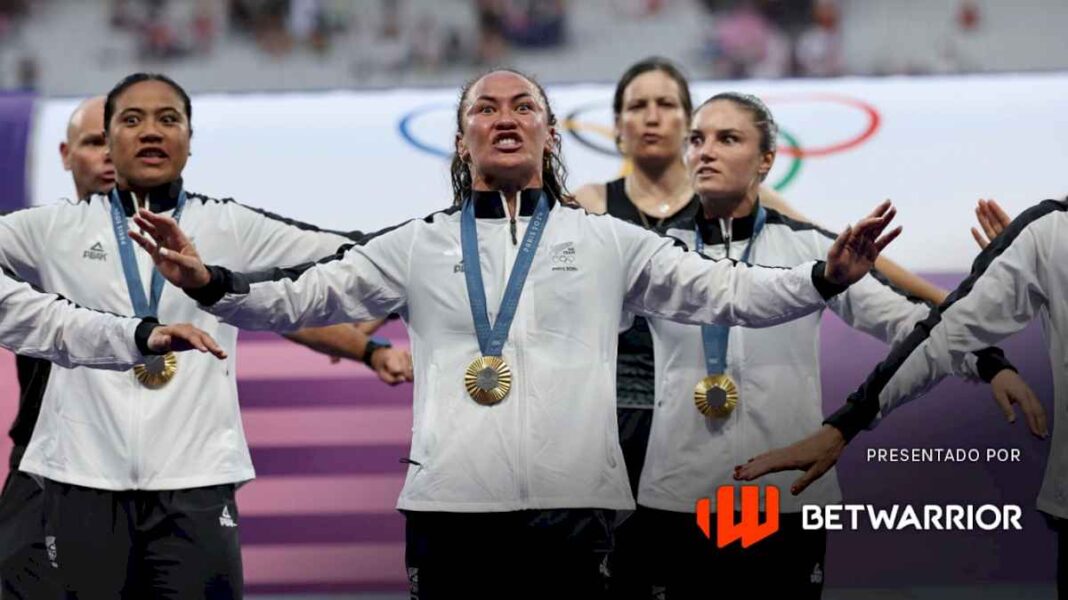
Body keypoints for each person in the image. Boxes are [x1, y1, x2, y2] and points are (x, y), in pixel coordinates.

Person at [134, 68, 900, 600]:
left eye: (523, 106)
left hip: (580, 507)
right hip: (450, 507)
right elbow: (301, 299)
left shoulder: (608, 241)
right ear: (463, 140)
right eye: (485, 108)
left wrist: (824, 278)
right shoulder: (416, 243)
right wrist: (208, 283)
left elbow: (731, 292)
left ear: (549, 134)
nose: (505, 116)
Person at [0, 73, 397, 598]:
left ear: (190, 140)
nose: (150, 132)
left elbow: (353, 255)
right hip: (79, 480)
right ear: (110, 139)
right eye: (131, 120)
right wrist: (44, 316)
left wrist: (385, 308)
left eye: (168, 119)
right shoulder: (53, 230)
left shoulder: (229, 224)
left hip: (195, 483)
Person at [632, 92, 1029, 599]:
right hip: (679, 496)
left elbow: (904, 321)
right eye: (696, 140)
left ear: (766, 161)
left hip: (788, 497)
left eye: (728, 138)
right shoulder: (652, 253)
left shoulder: (814, 249)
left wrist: (990, 364)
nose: (704, 151)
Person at [734, 197, 1063, 593]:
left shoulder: (1049, 230)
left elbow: (938, 331)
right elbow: (945, 334)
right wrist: (844, 425)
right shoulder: (1052, 230)